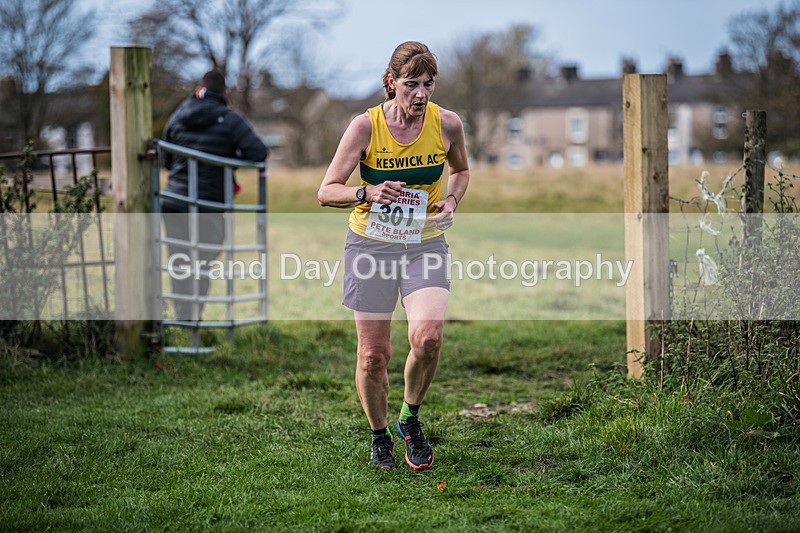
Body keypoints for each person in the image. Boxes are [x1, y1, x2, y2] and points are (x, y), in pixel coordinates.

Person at [318, 41, 470, 470]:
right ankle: (379, 436)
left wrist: (453, 202)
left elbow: (460, 172)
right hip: (371, 245)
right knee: (373, 355)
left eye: (428, 84)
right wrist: (367, 191)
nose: (421, 94)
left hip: (424, 243)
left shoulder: (448, 124)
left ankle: (411, 419)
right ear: (391, 83)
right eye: (411, 84)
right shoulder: (365, 127)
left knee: (428, 338)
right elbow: (326, 191)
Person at [161, 69, 268, 321]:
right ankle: (192, 315)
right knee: (203, 261)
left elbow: (165, 158)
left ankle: (183, 317)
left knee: (180, 261)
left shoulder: (178, 115)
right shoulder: (229, 119)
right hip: (209, 202)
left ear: (200, 90)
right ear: (225, 93)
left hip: (174, 200)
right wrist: (228, 159)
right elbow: (258, 152)